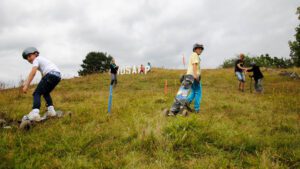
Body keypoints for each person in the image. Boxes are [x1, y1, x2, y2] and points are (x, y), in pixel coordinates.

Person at [20, 47, 61, 125]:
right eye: (26, 58)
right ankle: (51, 111)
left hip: (50, 74)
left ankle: (35, 113)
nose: (28, 59)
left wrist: (26, 85)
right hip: (57, 76)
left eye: (29, 56)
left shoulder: (36, 59)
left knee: (36, 93)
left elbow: (33, 73)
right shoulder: (42, 60)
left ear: (35, 54)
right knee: (46, 92)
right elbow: (43, 74)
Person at [186, 43, 204, 113]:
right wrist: (196, 75)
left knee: (193, 91)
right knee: (198, 92)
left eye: (201, 49)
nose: (200, 50)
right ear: (195, 49)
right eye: (198, 48)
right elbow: (194, 65)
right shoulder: (195, 55)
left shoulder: (193, 55)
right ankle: (197, 109)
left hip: (189, 76)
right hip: (194, 76)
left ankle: (187, 102)